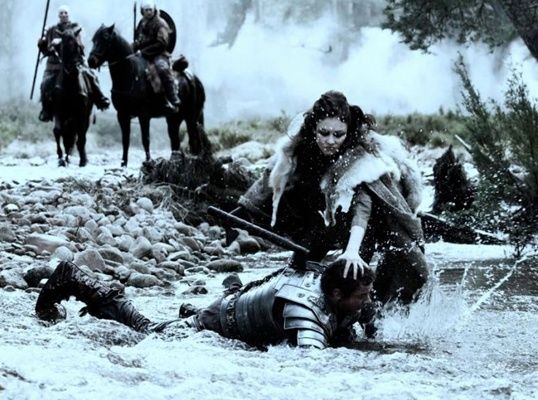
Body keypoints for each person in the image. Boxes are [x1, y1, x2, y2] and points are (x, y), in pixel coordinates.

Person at [234, 90, 429, 314]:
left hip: (367, 222)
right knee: (303, 262)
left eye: (338, 134)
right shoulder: (300, 145)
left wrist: (352, 251)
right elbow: (273, 177)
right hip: (323, 213)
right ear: (314, 128)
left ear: (348, 132)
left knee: (352, 273)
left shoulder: (361, 154)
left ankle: (367, 316)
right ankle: (291, 303)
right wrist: (243, 209)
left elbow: (363, 206)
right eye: (324, 133)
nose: (330, 141)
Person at [35, 260, 374, 349]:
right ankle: (76, 279)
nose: (367, 301)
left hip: (231, 308)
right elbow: (312, 363)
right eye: (361, 297)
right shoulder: (306, 309)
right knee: (148, 331)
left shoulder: (332, 283)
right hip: (216, 321)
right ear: (335, 295)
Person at [36, 5, 110, 122]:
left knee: (91, 76)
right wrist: (42, 43)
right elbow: (46, 50)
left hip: (74, 64)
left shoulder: (75, 28)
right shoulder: (51, 30)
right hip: (55, 66)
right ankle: (46, 111)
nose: (63, 15)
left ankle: (100, 99)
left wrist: (61, 41)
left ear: (69, 15)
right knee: (44, 84)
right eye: (61, 13)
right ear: (58, 15)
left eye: (65, 13)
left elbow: (79, 45)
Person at [133, 0, 180, 113]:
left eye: (150, 10)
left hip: (159, 54)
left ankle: (172, 98)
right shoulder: (142, 23)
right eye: (146, 10)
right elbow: (139, 39)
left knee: (162, 68)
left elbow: (162, 43)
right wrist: (134, 46)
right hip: (143, 54)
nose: (149, 12)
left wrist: (143, 52)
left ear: (154, 10)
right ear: (142, 11)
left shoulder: (160, 23)